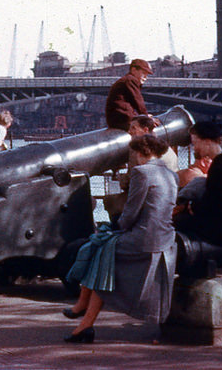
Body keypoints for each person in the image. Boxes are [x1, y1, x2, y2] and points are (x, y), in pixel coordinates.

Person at [63, 134, 178, 343]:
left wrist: (114, 227)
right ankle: (84, 324)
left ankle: (83, 313)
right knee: (103, 256)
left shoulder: (142, 173)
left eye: (134, 152)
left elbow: (130, 213)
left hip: (144, 239)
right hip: (165, 239)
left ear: (141, 152)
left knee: (100, 251)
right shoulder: (171, 175)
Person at [173, 121, 222, 247]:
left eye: (195, 143)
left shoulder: (221, 165)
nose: (194, 148)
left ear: (207, 142)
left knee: (172, 223)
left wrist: (188, 207)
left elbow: (213, 203)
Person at [105, 59, 156, 131]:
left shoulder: (126, 80)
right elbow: (138, 101)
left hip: (116, 120)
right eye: (143, 73)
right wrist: (146, 118)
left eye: (147, 75)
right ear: (134, 70)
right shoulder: (131, 80)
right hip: (124, 120)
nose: (145, 77)